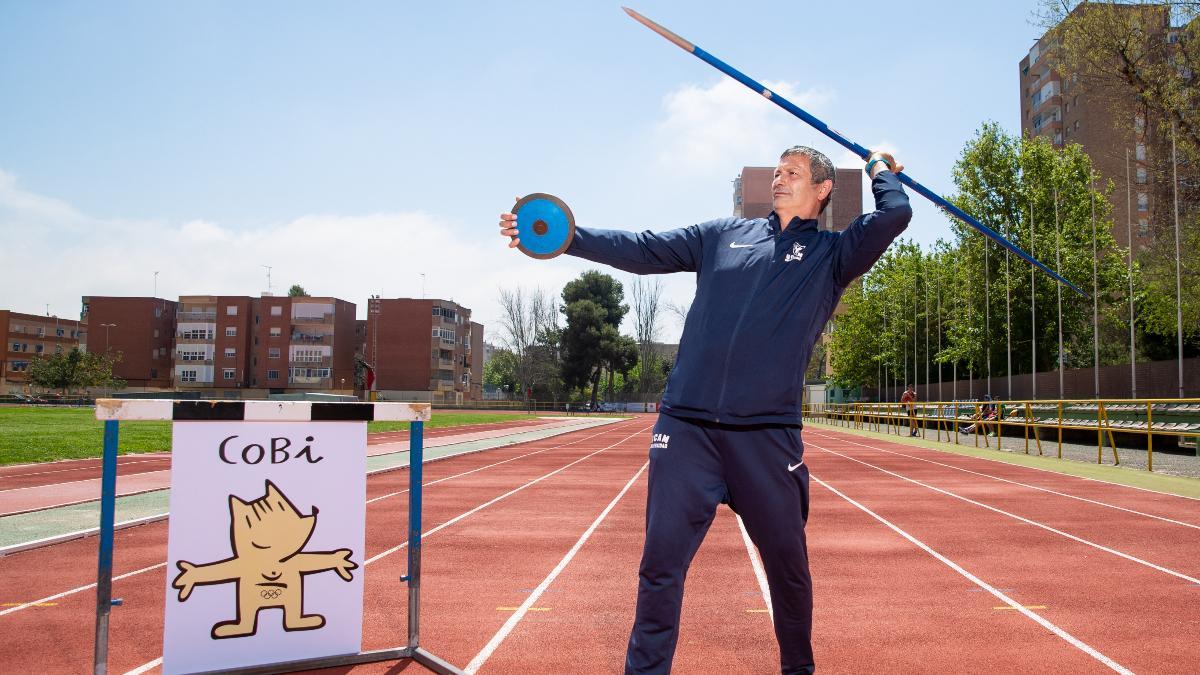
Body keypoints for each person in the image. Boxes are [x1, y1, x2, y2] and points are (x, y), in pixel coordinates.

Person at [499, 146, 911, 675]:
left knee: (789, 574)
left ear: (824, 189)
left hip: (766, 439)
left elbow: (894, 215)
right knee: (660, 569)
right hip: (687, 430)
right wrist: (570, 238)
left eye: (794, 173)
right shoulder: (723, 234)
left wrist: (880, 167)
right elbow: (644, 249)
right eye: (779, 170)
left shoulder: (835, 255)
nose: (780, 178)